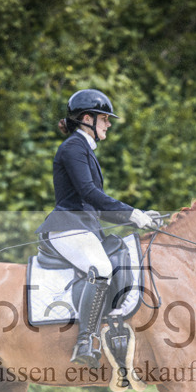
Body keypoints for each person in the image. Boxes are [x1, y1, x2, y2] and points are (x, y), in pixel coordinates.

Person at [36, 89, 159, 368]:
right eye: (105, 119)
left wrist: (136, 217)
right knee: (101, 269)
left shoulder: (84, 150)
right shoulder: (73, 148)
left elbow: (99, 208)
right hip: (67, 227)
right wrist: (131, 212)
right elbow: (89, 193)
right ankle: (85, 340)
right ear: (87, 119)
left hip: (84, 227)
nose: (109, 124)